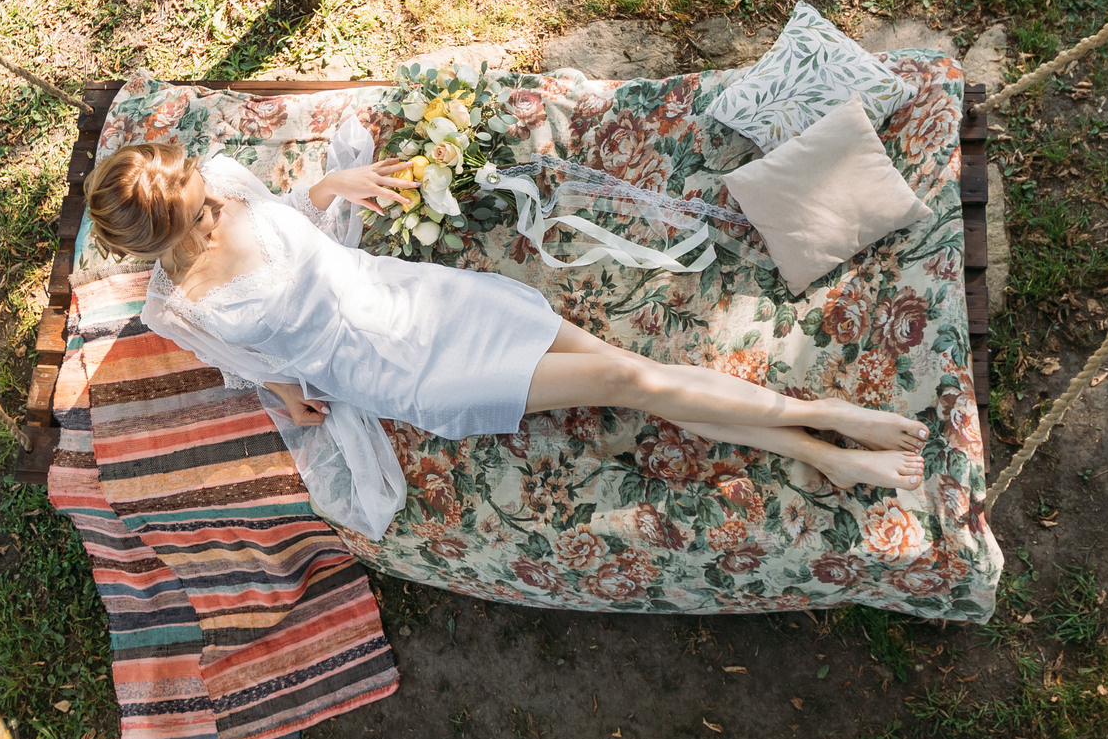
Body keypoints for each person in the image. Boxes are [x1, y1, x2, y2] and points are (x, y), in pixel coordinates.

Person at [83, 140, 926, 538]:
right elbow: (250, 361)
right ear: (162, 243)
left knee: (635, 370)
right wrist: (288, 393)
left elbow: (288, 206)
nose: (220, 203)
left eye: (208, 188)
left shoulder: (226, 181)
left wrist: (331, 183)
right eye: (200, 212)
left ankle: (817, 445)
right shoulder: (180, 307)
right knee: (632, 383)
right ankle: (826, 419)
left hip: (423, 300)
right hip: (408, 377)